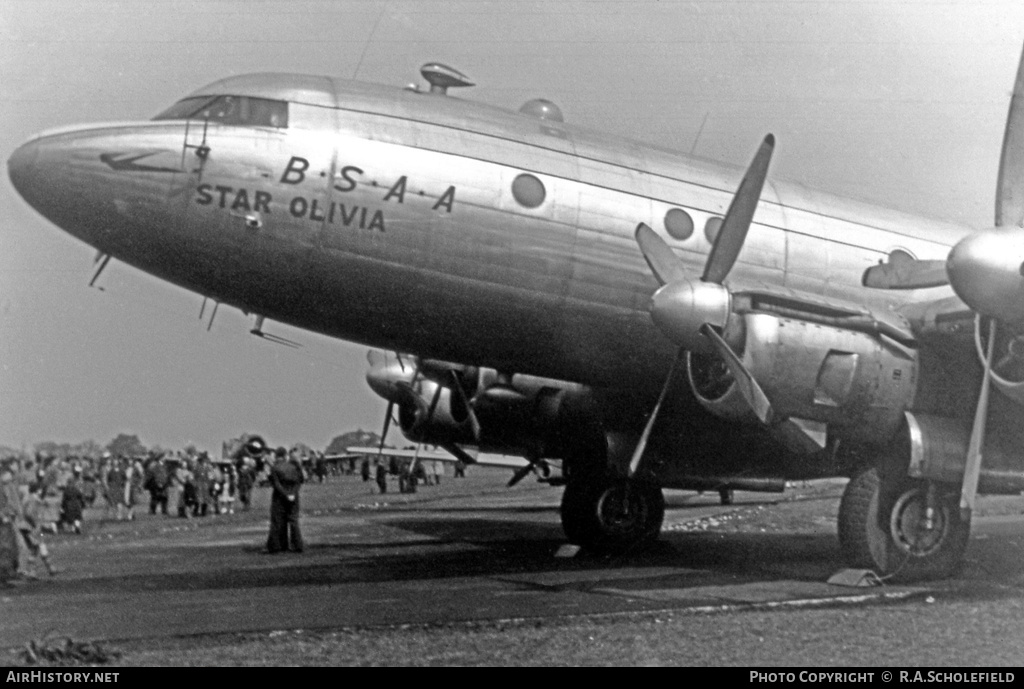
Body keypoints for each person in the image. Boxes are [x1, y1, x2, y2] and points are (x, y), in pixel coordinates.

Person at [266, 447, 303, 553]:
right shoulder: (293, 466)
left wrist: (285, 494)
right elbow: (299, 481)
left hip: (279, 497)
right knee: (293, 521)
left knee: (278, 522)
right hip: (294, 496)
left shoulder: (275, 468)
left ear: (277, 456)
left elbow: (276, 484)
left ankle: (277, 546)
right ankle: (297, 544)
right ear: (285, 455)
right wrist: (293, 493)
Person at [18, 483, 56, 578]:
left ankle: (47, 568)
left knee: (35, 547)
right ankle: (47, 568)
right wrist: (35, 524)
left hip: (25, 527)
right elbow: (29, 513)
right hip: (32, 528)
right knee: (39, 545)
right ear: (37, 490)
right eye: (40, 489)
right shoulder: (33, 500)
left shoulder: (28, 498)